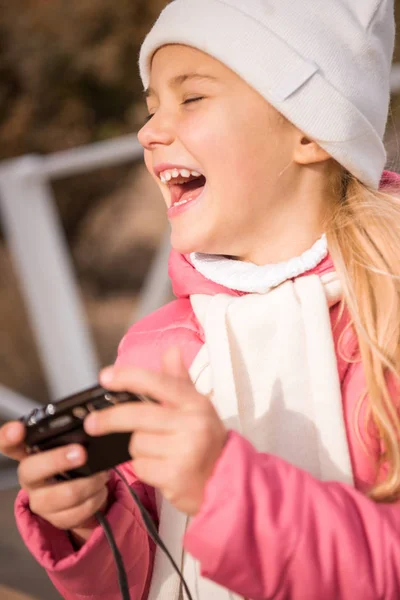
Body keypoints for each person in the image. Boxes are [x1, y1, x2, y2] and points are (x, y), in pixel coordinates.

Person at [1, 0, 400, 598]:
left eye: (191, 98)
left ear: (310, 132)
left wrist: (222, 487)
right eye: (152, 105)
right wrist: (90, 518)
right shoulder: (156, 346)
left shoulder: (386, 322)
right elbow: (149, 578)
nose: (147, 131)